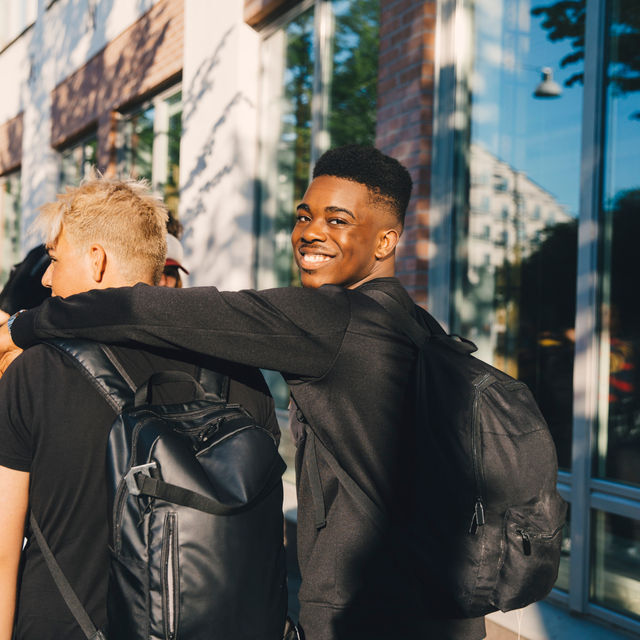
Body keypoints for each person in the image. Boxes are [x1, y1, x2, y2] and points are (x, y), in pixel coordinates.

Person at [1, 145, 486, 639]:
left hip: (363, 615)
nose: (311, 231)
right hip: (440, 609)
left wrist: (25, 326)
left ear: (385, 241)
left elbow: (148, 312)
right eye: (304, 215)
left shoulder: (332, 321)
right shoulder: (423, 332)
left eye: (337, 220)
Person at [0, 176, 281, 639]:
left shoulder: (36, 373)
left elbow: (5, 552)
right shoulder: (241, 373)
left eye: (53, 259)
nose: (47, 278)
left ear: (96, 260)